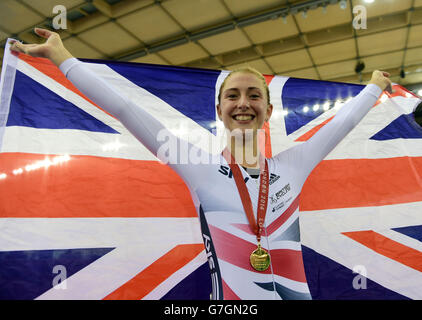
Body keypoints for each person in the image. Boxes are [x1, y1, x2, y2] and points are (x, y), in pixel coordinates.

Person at [10, 28, 392, 300]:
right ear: (220, 110)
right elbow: (126, 109)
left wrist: (374, 85)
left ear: (268, 110)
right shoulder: (198, 167)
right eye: (233, 96)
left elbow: (343, 123)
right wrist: (62, 57)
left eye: (254, 95)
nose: (244, 103)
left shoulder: (295, 164)